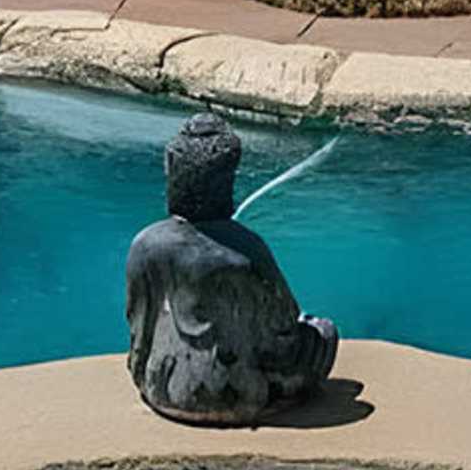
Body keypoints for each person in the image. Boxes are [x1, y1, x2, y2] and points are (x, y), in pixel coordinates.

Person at [123, 113, 337, 425]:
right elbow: (283, 324)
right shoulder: (246, 249)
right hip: (241, 395)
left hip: (161, 388)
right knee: (324, 333)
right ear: (227, 180)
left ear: (172, 169)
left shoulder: (145, 243)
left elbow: (138, 323)